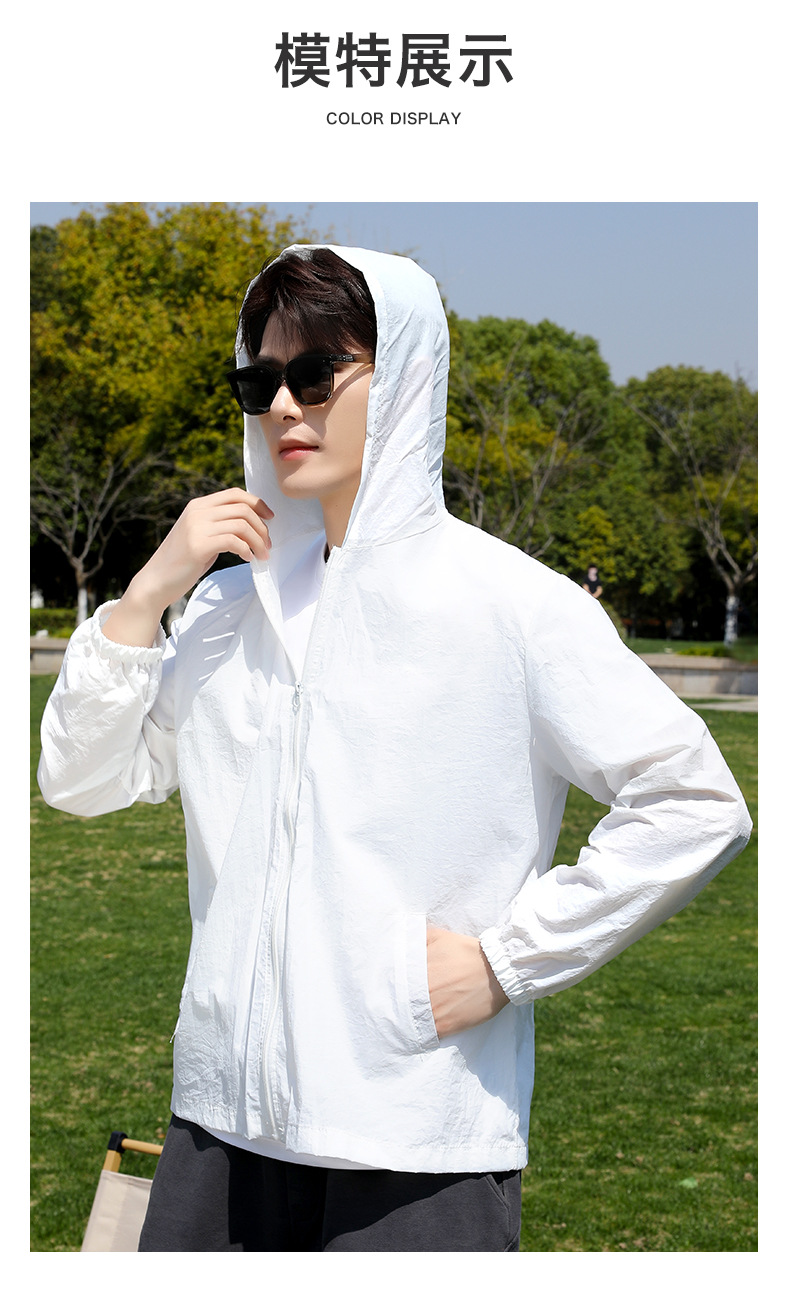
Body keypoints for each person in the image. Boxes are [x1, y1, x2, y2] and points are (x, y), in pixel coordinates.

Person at [38, 245, 751, 1252]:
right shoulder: (224, 606)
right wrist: (150, 592)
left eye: (315, 374)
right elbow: (78, 781)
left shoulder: (509, 604)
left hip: (417, 1141)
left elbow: (693, 799)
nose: (283, 407)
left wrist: (505, 960)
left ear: (404, 374)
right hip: (218, 1127)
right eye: (258, 382)